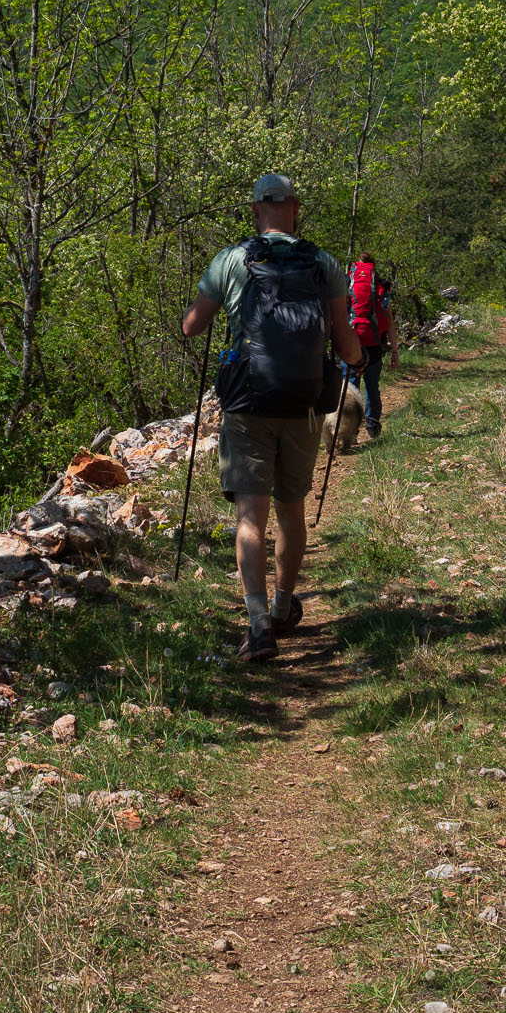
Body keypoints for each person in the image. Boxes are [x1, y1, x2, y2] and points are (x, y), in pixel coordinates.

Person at [182, 173, 362, 663]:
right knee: (292, 512)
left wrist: (198, 314)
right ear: (295, 208)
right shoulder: (322, 262)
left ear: (257, 209)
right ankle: (284, 605)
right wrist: (359, 360)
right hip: (304, 404)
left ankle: (259, 625)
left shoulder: (232, 259)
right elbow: (345, 341)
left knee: (249, 516)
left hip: (248, 403)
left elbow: (193, 326)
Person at [347, 253, 399, 439]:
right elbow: (390, 323)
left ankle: (349, 432)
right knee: (372, 387)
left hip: (351, 344)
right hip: (375, 346)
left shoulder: (348, 284)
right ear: (374, 268)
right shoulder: (382, 289)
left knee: (351, 389)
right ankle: (373, 428)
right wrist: (394, 351)